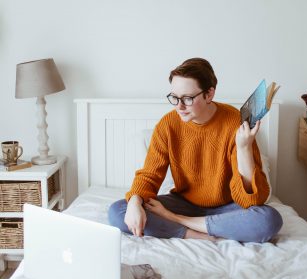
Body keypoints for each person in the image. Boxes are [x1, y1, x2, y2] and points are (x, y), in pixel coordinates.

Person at [108, 58, 283, 242]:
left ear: (209, 94)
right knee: (118, 211)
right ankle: (195, 233)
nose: (179, 106)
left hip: (228, 207)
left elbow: (251, 201)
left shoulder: (234, 122)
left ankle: (181, 222)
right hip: (184, 203)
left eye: (187, 98)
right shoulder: (168, 125)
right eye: (174, 97)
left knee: (268, 220)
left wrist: (244, 147)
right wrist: (135, 201)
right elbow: (150, 175)